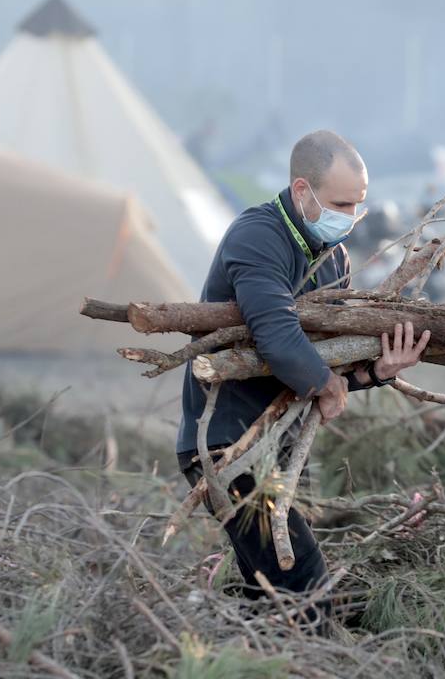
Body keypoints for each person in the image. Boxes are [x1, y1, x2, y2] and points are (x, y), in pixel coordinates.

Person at [177, 130, 430, 604]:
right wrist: (323, 383)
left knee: (266, 589)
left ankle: (253, 668)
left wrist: (378, 370)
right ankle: (307, 668)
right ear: (301, 191)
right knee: (304, 580)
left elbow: (333, 364)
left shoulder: (334, 260)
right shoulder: (258, 237)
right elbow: (277, 335)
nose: (351, 219)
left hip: (285, 445)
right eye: (340, 204)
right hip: (230, 445)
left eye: (358, 205)